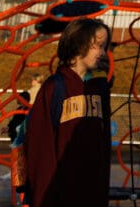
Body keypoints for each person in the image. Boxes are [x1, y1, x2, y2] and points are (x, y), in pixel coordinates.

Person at [24, 18, 113, 207]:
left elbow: (103, 146)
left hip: (91, 192)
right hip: (58, 194)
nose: (103, 53)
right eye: (98, 46)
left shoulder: (99, 88)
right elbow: (40, 146)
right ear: (79, 44)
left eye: (105, 47)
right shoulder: (55, 87)